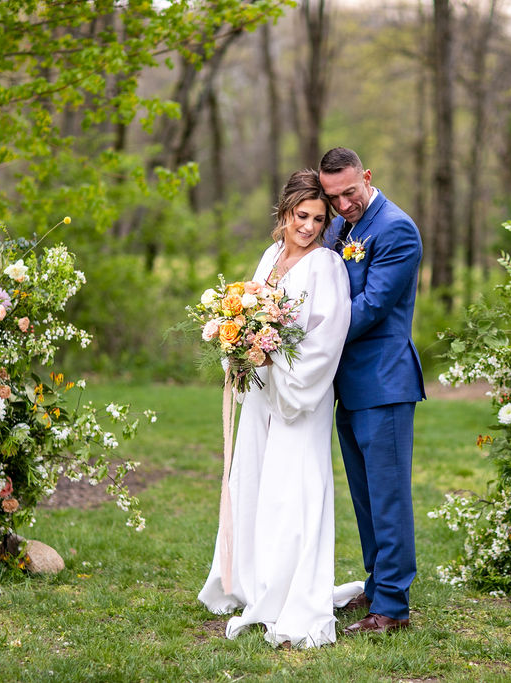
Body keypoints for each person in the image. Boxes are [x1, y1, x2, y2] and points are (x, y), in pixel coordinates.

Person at [198, 169, 364, 648]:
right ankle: (253, 582)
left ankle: (292, 594)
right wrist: (241, 345)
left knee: (293, 493)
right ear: (284, 213)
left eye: (317, 218)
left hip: (297, 398)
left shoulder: (327, 266)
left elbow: (326, 339)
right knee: (252, 483)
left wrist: (277, 366)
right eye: (300, 216)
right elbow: (250, 312)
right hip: (261, 394)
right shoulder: (271, 256)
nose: (309, 227)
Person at [318, 148, 426, 635]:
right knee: (364, 497)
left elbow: (372, 305)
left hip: (383, 383)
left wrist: (303, 334)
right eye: (332, 196)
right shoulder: (342, 228)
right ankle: (376, 584)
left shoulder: (396, 229)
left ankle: (394, 608)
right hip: (345, 383)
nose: (342, 204)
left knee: (388, 497)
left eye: (349, 192)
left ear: (367, 176)